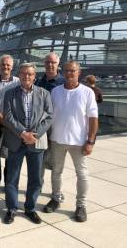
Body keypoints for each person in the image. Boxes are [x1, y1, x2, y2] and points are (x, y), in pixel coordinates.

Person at [43, 61, 98, 222]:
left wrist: (91, 141)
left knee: (82, 174)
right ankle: (56, 198)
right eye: (66, 71)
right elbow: (49, 115)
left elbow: (93, 118)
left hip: (79, 142)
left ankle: (81, 205)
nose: (69, 73)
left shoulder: (87, 92)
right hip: (57, 140)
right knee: (56, 172)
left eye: (72, 71)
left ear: (78, 72)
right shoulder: (55, 91)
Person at [2, 63, 53, 225]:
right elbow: (8, 116)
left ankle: (30, 208)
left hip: (36, 142)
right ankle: (11, 209)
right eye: (23, 73)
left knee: (36, 178)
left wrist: (34, 134)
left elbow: (49, 116)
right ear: (19, 74)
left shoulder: (44, 93)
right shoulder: (10, 93)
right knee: (12, 178)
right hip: (16, 141)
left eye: (30, 74)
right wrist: (23, 133)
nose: (26, 76)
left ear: (34, 76)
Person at [35, 52, 65, 186]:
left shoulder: (64, 83)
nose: (50, 65)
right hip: (40, 128)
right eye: (47, 62)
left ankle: (56, 193)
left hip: (56, 129)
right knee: (39, 161)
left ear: (58, 64)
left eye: (53, 62)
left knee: (56, 164)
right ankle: (38, 186)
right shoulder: (38, 81)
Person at [0, 54, 20, 185]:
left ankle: (9, 184)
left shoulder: (18, 82)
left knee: (11, 156)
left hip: (11, 124)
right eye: (3, 64)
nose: (5, 67)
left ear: (12, 67)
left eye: (8, 64)